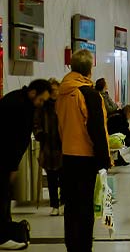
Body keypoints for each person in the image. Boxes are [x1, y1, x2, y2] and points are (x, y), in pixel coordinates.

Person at [56, 49, 112, 252]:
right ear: (89, 69)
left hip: (67, 155)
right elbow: (97, 128)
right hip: (86, 157)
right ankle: (84, 247)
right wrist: (105, 160)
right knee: (86, 205)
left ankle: (72, 245)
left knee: (71, 205)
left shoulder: (62, 93)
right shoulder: (89, 94)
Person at [0, 79, 50, 249]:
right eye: (41, 100)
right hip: (3, 159)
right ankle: (3, 236)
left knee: (4, 196)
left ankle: (6, 232)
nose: (41, 104)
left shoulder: (20, 101)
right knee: (2, 196)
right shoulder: (18, 106)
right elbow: (13, 140)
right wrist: (13, 167)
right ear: (33, 92)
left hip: (6, 158)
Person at [33, 78, 63, 216]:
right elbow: (36, 123)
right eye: (51, 90)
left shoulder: (63, 104)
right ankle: (54, 205)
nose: (54, 92)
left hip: (63, 145)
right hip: (48, 146)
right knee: (51, 178)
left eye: (56, 89)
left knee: (64, 178)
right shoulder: (43, 106)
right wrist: (40, 134)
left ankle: (63, 203)